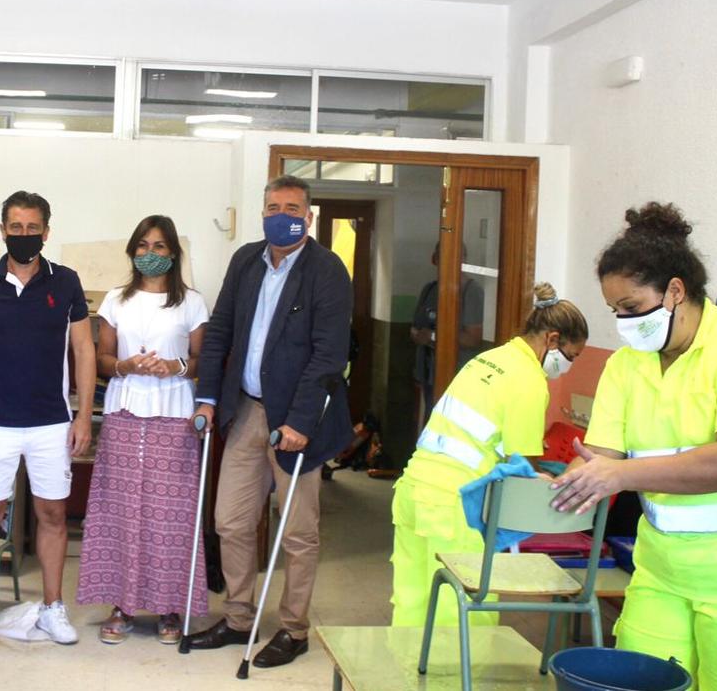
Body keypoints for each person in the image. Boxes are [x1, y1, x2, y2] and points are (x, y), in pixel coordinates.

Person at [551, 202, 717, 688]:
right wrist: (563, 483)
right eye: (615, 312)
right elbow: (603, 459)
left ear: (675, 292)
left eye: (632, 308)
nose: (623, 322)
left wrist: (618, 476)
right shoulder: (627, 366)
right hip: (661, 573)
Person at [183, 175, 353, 669]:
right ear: (262, 213)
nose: (282, 214)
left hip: (298, 420)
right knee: (230, 520)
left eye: (292, 206)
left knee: (297, 531)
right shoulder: (246, 261)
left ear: (309, 215)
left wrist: (300, 421)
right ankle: (240, 618)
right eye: (273, 206)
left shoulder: (327, 271)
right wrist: (208, 396)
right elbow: (219, 333)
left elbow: (328, 355)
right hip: (246, 410)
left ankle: (294, 629)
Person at [389, 282, 587, 627]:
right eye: (571, 356)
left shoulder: (488, 358)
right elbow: (522, 465)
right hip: (456, 505)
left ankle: (408, 672)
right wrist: (548, 479)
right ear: (552, 340)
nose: (567, 365)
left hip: (412, 489)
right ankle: (458, 680)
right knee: (462, 608)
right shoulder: (528, 380)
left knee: (412, 597)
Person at [0, 190, 95, 652]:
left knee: (52, 514)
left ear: (46, 233)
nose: (24, 235)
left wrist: (83, 416)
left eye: (33, 228)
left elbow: (83, 350)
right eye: (16, 228)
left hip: (51, 422)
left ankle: (54, 607)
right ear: (3, 231)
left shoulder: (67, 282)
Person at [75, 215, 210, 645]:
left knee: (171, 514)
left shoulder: (192, 302)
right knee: (122, 509)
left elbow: (202, 359)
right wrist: (127, 365)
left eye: (159, 246)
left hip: (174, 414)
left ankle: (170, 608)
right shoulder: (116, 300)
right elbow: (103, 358)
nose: (150, 254)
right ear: (133, 251)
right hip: (125, 412)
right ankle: (122, 604)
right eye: (143, 246)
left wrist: (176, 367)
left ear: (173, 253)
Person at [411, 241, 484, 424]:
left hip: (457, 377)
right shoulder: (429, 290)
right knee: (430, 424)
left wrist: (434, 337)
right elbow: (414, 329)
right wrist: (419, 337)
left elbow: (473, 339)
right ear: (434, 259)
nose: (449, 262)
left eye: (456, 257)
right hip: (428, 374)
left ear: (464, 260)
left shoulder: (471, 291)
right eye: (443, 257)